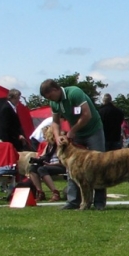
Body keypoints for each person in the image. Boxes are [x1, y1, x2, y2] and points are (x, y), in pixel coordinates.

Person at [39, 79, 106, 210]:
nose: (50, 99)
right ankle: (73, 201)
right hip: (76, 134)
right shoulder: (54, 102)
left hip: (93, 131)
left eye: (50, 96)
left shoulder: (75, 93)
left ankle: (99, 203)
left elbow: (87, 114)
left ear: (55, 89)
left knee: (99, 165)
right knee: (72, 167)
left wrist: (72, 131)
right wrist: (58, 137)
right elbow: (55, 122)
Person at [28, 126, 66, 202]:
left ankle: (55, 192)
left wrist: (50, 165)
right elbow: (42, 155)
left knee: (42, 169)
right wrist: (38, 160)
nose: (44, 137)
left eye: (45, 135)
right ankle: (40, 192)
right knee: (32, 168)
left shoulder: (60, 144)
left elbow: (64, 161)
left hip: (60, 166)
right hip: (50, 165)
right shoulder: (48, 145)